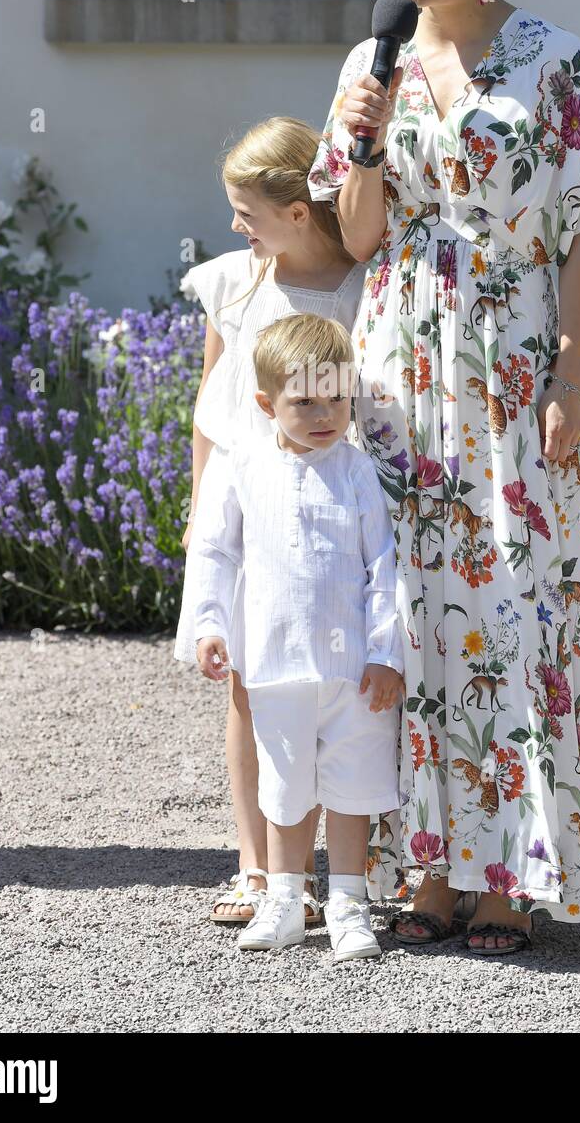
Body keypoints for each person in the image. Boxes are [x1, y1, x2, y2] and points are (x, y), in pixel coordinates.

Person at [307, 0, 580, 955]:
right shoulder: (372, 55)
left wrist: (570, 380)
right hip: (397, 361)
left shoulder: (554, 58)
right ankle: (429, 869)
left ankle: (513, 875)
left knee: (508, 610)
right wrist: (358, 129)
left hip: (506, 356)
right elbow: (354, 236)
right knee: (407, 609)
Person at [174, 117, 367, 928]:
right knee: (251, 688)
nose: (233, 226)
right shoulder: (234, 283)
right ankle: (260, 870)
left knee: (341, 686)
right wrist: (197, 511)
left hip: (334, 515)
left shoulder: (365, 287)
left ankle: (338, 874)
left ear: (297, 209)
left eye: (245, 210)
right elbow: (213, 407)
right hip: (249, 509)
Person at [188, 314, 405, 961]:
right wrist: (208, 623)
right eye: (303, 401)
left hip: (353, 671)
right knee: (283, 784)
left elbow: (383, 567)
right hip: (274, 661)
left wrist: (385, 653)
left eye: (336, 399)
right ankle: (284, 898)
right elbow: (215, 552)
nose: (322, 414)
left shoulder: (358, 472)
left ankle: (348, 903)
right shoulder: (242, 466)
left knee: (352, 783)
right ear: (266, 403)